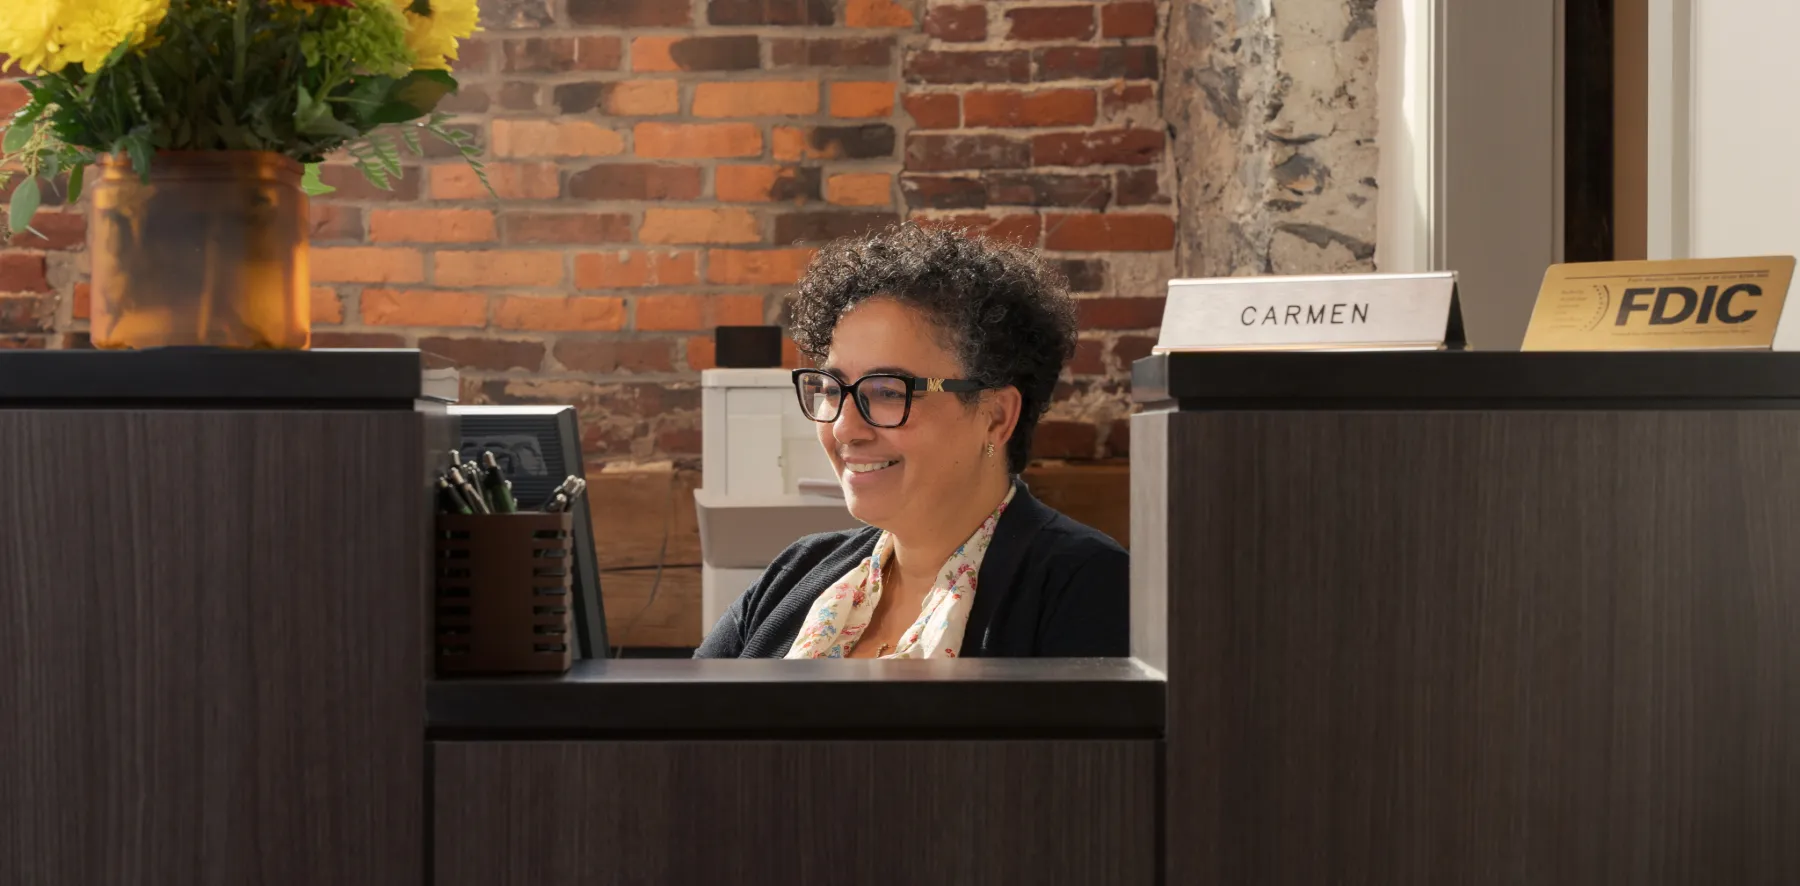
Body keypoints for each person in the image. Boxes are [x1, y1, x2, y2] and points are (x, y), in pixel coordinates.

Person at [694, 223, 1129, 659]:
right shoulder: (796, 574)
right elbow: (676, 722)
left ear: (996, 417)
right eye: (831, 388)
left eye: (888, 392)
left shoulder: (1088, 589)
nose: (845, 428)